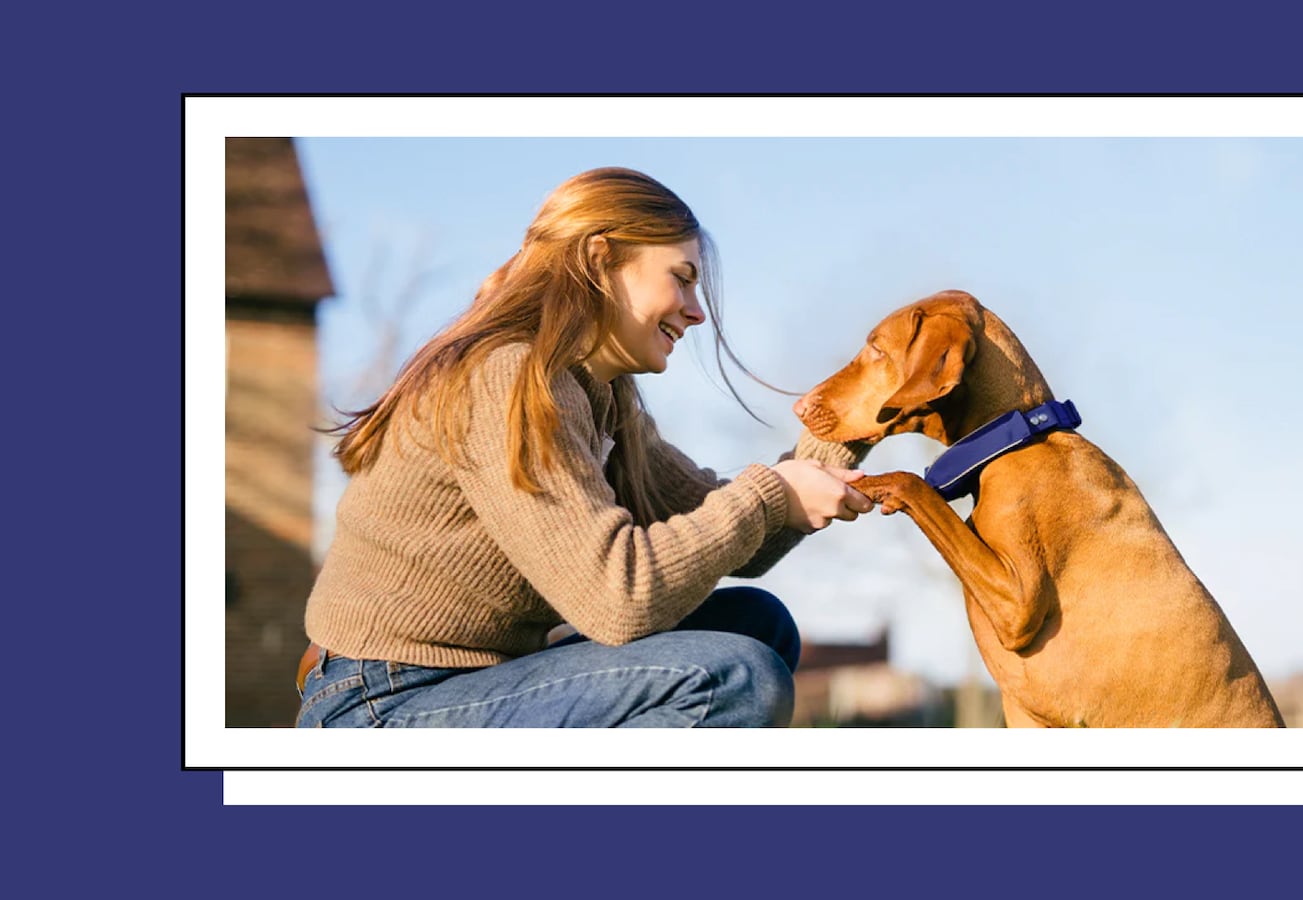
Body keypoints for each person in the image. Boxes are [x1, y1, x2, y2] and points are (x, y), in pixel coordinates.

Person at [295, 166, 873, 728]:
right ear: (601, 261)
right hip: (379, 704)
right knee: (733, 677)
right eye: (681, 277)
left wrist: (861, 413)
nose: (697, 312)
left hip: (472, 685)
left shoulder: (600, 395)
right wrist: (768, 495)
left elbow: (746, 542)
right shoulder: (506, 377)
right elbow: (617, 600)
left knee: (754, 626)